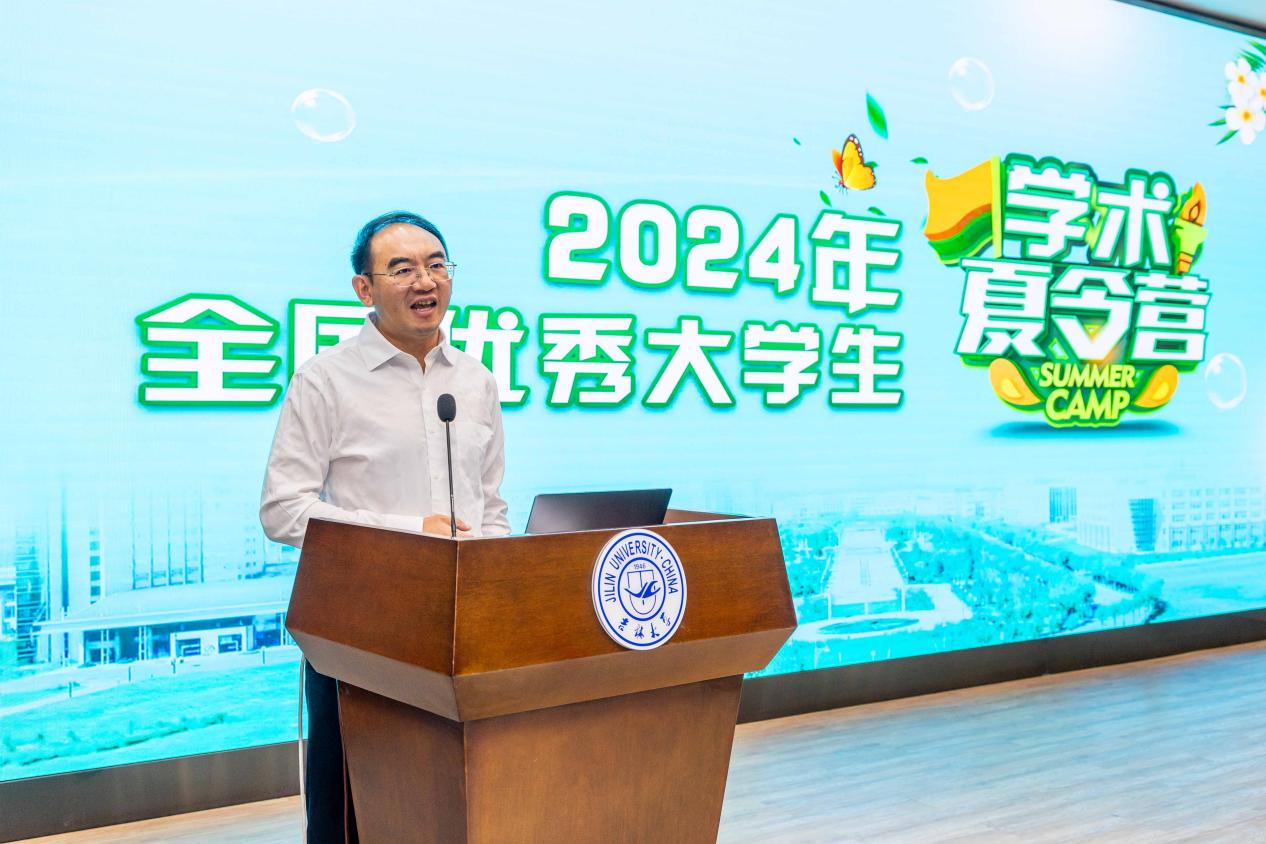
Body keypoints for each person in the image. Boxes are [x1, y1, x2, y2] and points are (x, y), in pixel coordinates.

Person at [260, 211, 510, 843]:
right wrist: (408, 533)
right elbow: (283, 510)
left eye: (436, 265)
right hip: (362, 633)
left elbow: (490, 505)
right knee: (353, 813)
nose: (425, 281)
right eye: (402, 269)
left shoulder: (476, 380)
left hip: (465, 634)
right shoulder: (324, 380)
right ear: (364, 289)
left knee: (457, 805)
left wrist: (503, 582)